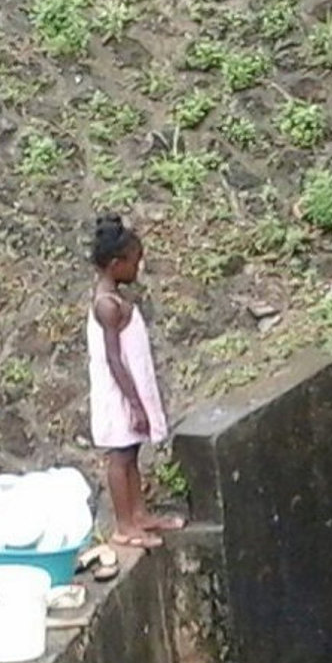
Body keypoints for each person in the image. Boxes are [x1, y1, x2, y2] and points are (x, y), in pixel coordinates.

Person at [87, 214, 182, 549]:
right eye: (134, 262)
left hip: (130, 389)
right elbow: (114, 359)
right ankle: (124, 524)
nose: (137, 269)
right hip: (119, 393)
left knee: (132, 451)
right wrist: (135, 403)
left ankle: (139, 513)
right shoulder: (107, 306)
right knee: (120, 455)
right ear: (115, 264)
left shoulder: (115, 299)